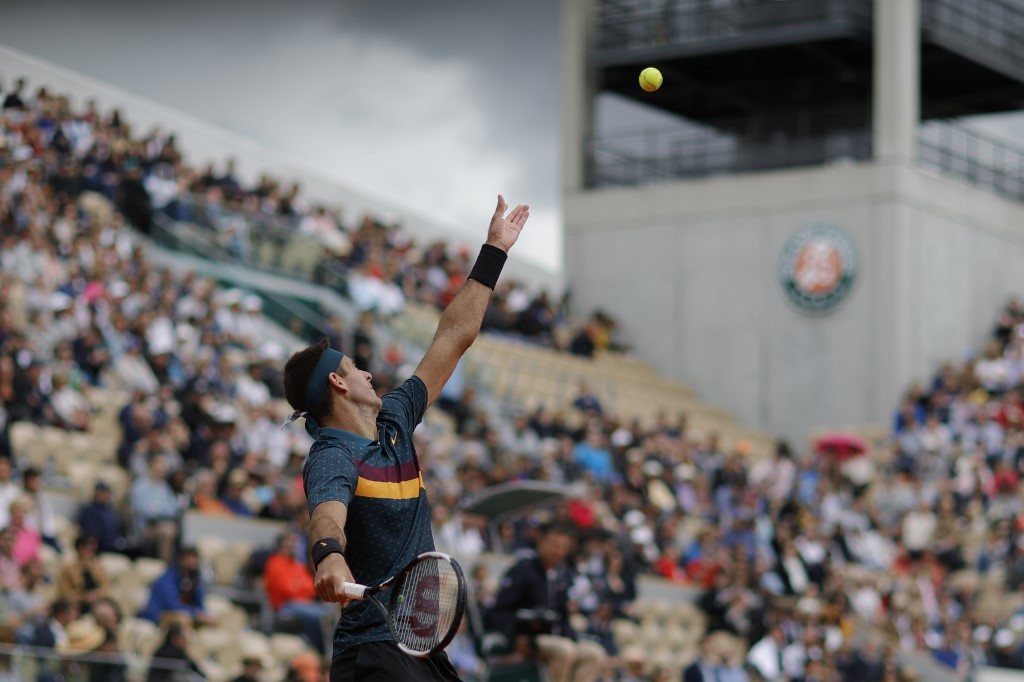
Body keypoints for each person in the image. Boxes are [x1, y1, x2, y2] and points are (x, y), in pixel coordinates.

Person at [284, 195, 529, 682]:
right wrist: (329, 555)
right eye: (355, 369)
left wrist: (494, 251)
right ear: (337, 383)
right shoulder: (331, 458)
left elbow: (452, 337)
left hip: (419, 652)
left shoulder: (394, 422)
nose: (369, 373)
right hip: (374, 654)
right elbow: (327, 515)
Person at [484, 522, 607, 682]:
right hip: (530, 636)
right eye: (554, 545)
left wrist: (573, 637)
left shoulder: (562, 576)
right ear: (541, 543)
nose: (558, 551)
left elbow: (563, 615)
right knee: (564, 650)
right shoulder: (523, 570)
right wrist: (515, 636)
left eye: (563, 547)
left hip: (556, 635)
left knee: (594, 653)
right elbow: (499, 610)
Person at [138, 546, 214, 626]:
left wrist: (204, 615)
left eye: (195, 559)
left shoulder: (195, 578)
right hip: (157, 613)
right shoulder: (167, 578)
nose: (193, 562)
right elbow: (172, 605)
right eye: (189, 558)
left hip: (182, 613)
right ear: (181, 560)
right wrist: (195, 613)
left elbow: (200, 603)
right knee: (183, 619)